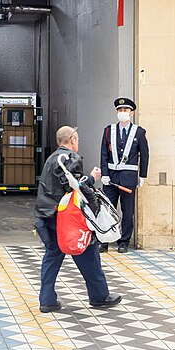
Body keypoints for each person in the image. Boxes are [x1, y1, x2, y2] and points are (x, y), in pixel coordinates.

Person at [34, 126, 122, 313]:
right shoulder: (71, 158)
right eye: (78, 140)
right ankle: (99, 296)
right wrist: (92, 177)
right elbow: (73, 187)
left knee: (52, 257)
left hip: (46, 216)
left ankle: (47, 300)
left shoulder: (51, 158)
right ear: (72, 140)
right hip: (67, 219)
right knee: (88, 253)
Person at [99, 97, 149, 254]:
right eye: (120, 110)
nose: (122, 113)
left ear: (131, 113)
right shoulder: (109, 130)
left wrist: (143, 176)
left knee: (128, 211)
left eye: (125, 110)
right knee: (107, 211)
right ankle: (105, 241)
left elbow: (145, 155)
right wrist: (104, 174)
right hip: (111, 178)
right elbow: (103, 154)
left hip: (129, 179)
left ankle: (124, 242)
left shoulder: (139, 132)